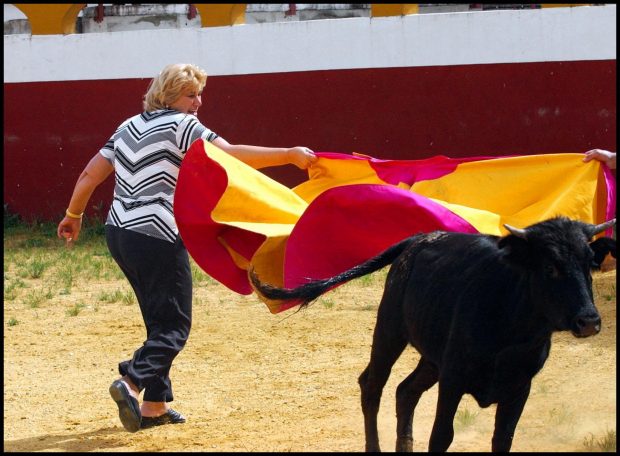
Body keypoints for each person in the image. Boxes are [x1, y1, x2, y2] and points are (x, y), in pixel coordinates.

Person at [56, 63, 317, 432]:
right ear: (169, 96)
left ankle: (154, 407)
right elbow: (230, 156)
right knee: (175, 325)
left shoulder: (128, 126)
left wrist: (73, 214)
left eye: (199, 93)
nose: (198, 101)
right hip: (156, 234)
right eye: (190, 94)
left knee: (159, 320)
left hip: (119, 233)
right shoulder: (182, 125)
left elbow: (90, 174)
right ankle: (131, 382)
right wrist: (288, 153)